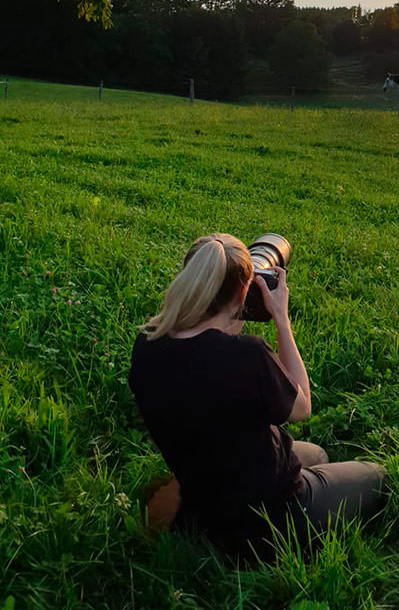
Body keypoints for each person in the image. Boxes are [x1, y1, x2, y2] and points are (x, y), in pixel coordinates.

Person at [128, 233, 385, 561]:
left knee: (317, 454)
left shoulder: (148, 345)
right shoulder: (247, 355)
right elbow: (303, 405)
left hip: (204, 503)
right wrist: (281, 317)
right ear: (242, 293)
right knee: (378, 477)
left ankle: (194, 525)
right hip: (274, 518)